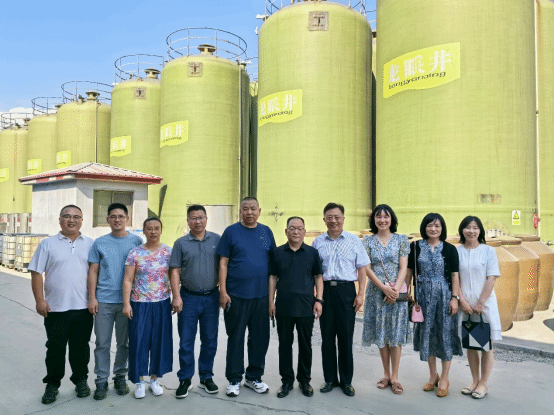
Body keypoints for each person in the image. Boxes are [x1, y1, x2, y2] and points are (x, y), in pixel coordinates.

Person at [29, 205, 95, 405]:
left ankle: (80, 380)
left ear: (82, 221)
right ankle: (52, 384)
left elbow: (96, 273)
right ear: (60, 220)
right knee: (55, 349)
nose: (71, 220)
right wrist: (39, 300)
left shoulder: (91, 244)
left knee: (80, 348)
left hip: (83, 308)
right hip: (55, 308)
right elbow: (36, 273)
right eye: (66, 216)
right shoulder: (48, 244)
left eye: (76, 217)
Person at [217, 196, 276, 397]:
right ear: (240, 211)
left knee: (260, 338)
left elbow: (272, 266)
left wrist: (271, 299)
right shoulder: (231, 232)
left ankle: (253, 377)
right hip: (236, 296)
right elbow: (223, 263)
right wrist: (223, 291)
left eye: (253, 208)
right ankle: (234, 379)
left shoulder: (266, 232)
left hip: (261, 296)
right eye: (245, 209)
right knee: (236, 338)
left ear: (259, 211)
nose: (249, 212)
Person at [312, 203, 370, 397]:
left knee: (345, 337)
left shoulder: (353, 241)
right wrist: (317, 297)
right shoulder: (318, 242)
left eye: (337, 217)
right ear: (324, 220)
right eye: (329, 217)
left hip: (346, 291)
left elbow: (362, 268)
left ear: (343, 219)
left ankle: (346, 381)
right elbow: (314, 272)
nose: (334, 221)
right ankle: (330, 379)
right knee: (327, 338)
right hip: (325, 291)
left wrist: (360, 294)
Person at [87, 203, 144, 400]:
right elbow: (93, 271)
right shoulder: (99, 243)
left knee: (124, 344)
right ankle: (101, 380)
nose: (117, 219)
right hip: (103, 301)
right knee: (102, 343)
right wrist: (92, 297)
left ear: (127, 218)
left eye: (121, 216)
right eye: (113, 216)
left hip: (127, 302)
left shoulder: (136, 241)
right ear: (108, 220)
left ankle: (120, 376)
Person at [407, 213, 462, 398]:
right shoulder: (415, 247)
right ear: (424, 227)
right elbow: (409, 271)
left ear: (442, 228)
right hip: (422, 298)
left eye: (437, 226)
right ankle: (433, 376)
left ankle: (445, 378)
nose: (433, 229)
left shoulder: (450, 249)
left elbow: (455, 275)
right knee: (428, 335)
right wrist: (406, 292)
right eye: (430, 225)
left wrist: (454, 298)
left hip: (444, 297)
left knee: (445, 335)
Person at [269, 217, 324, 399]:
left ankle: (304, 380)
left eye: (299, 228)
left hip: (306, 306)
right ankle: (286, 381)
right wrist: (271, 302)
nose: (296, 231)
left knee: (305, 345)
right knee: (284, 345)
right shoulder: (277, 253)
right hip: (283, 306)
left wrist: (319, 300)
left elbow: (318, 277)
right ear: (286, 231)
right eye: (292, 228)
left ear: (304, 232)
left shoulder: (312, 253)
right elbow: (272, 278)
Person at [170, 205, 221, 399]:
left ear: (206, 219)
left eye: (201, 217)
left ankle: (206, 377)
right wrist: (176, 296)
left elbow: (224, 267)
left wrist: (224, 292)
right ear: (188, 221)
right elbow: (174, 271)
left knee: (210, 340)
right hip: (188, 297)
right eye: (193, 218)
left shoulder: (217, 240)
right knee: (186, 340)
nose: (197, 221)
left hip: (211, 297)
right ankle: (185, 378)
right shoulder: (181, 243)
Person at [362, 204, 411, 395]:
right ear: (373, 220)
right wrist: (383, 288)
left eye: (386, 216)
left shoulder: (401, 240)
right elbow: (366, 268)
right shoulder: (367, 241)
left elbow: (404, 267)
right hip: (376, 293)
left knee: (395, 334)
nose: (382, 220)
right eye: (378, 216)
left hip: (396, 292)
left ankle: (396, 377)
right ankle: (386, 374)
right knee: (382, 333)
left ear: (392, 219)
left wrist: (395, 290)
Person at [122, 217, 173, 399]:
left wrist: (176, 297)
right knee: (138, 342)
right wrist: (126, 303)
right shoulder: (135, 253)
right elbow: (128, 279)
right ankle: (139, 382)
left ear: (161, 230)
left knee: (160, 342)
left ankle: (154, 380)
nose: (153, 232)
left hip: (162, 303)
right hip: (139, 303)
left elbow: (174, 277)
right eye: (149, 228)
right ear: (144, 231)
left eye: (156, 228)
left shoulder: (168, 252)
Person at [457, 216, 501, 400]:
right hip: (466, 307)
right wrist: (462, 301)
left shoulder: (488, 251)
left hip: (484, 306)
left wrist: (481, 302)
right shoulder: (457, 251)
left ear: (480, 231)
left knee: (486, 346)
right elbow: (454, 278)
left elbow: (492, 277)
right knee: (471, 346)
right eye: (467, 227)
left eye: (475, 228)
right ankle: (474, 381)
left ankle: (483, 384)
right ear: (462, 230)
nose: (471, 231)